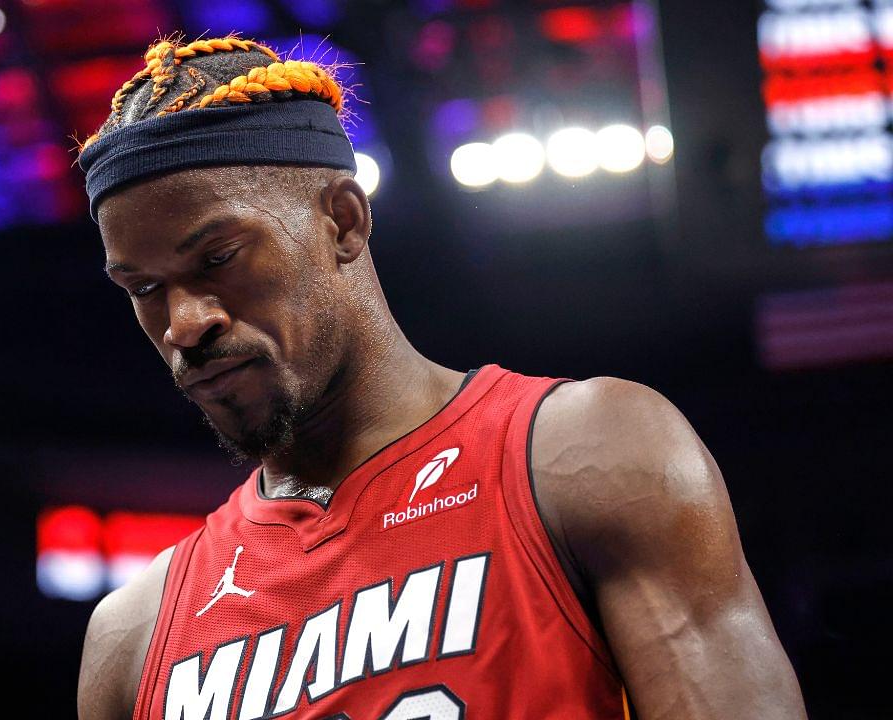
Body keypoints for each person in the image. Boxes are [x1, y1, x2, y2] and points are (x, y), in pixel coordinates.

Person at [74, 35, 806, 720]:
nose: (182, 324)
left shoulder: (586, 457)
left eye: (218, 259)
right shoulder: (132, 641)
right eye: (143, 289)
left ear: (343, 222)